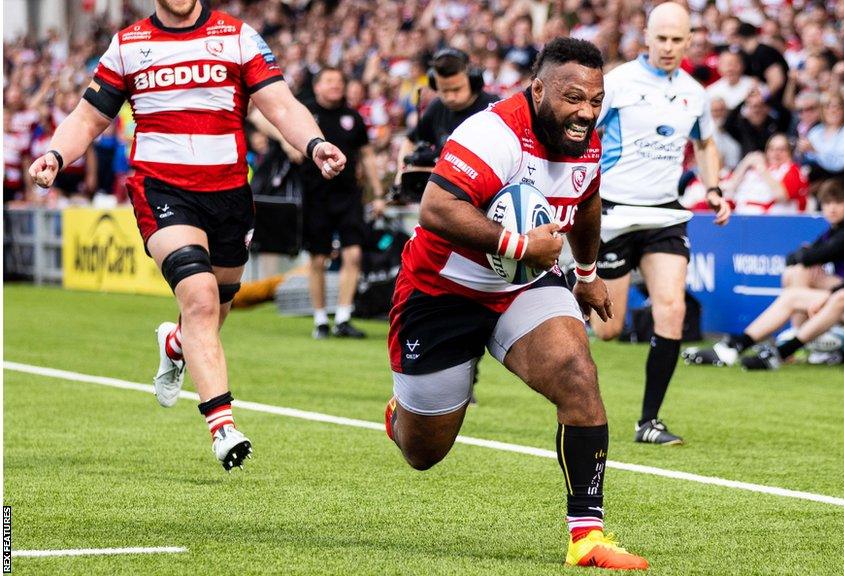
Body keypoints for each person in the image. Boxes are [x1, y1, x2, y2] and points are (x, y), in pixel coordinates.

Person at [28, 0, 346, 471]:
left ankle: (175, 343)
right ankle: (223, 427)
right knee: (198, 298)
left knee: (214, 309)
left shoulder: (238, 36)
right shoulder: (129, 45)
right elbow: (89, 117)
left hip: (230, 195)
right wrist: (56, 154)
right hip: (162, 189)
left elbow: (279, 103)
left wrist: (315, 143)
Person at [384, 37, 648, 570]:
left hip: (523, 286)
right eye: (574, 98)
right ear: (538, 88)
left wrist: (588, 273)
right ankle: (400, 416)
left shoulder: (587, 140)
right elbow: (436, 207)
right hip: (443, 291)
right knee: (423, 453)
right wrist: (519, 246)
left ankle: (587, 536)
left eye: (596, 101)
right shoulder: (493, 133)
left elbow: (587, 198)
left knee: (578, 373)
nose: (586, 112)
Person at [589, 2, 731, 446]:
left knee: (673, 308)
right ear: (646, 37)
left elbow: (705, 143)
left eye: (678, 40)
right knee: (607, 330)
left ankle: (648, 421)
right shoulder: (617, 83)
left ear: (690, 42)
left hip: (665, 214)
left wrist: (713, 189)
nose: (669, 47)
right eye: (662, 38)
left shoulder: (694, 92)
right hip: (612, 213)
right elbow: (583, 133)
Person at [688, 167, 844, 370]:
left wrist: (830, 300)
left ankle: (781, 353)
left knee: (842, 296)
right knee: (794, 296)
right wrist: (829, 299)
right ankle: (734, 345)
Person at [297, 68, 384, 339]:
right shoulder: (304, 114)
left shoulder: (353, 116)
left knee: (353, 254)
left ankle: (344, 317)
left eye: (339, 80)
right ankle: (321, 319)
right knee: (318, 258)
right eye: (329, 81)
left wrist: (378, 193)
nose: (336, 85)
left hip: (348, 196)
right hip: (315, 196)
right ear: (317, 85)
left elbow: (367, 157)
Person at [396, 47, 501, 185]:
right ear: (435, 84)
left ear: (473, 80)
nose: (450, 97)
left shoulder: (493, 108)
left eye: (456, 89)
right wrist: (401, 175)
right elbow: (410, 141)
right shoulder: (437, 107)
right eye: (444, 91)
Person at [724, 134, 808, 214]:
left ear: (789, 153)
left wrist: (762, 169)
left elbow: (782, 196)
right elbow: (728, 188)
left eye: (781, 150)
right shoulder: (753, 170)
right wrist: (745, 163)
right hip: (740, 216)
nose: (776, 153)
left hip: (773, 221)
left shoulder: (793, 170)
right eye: (772, 149)